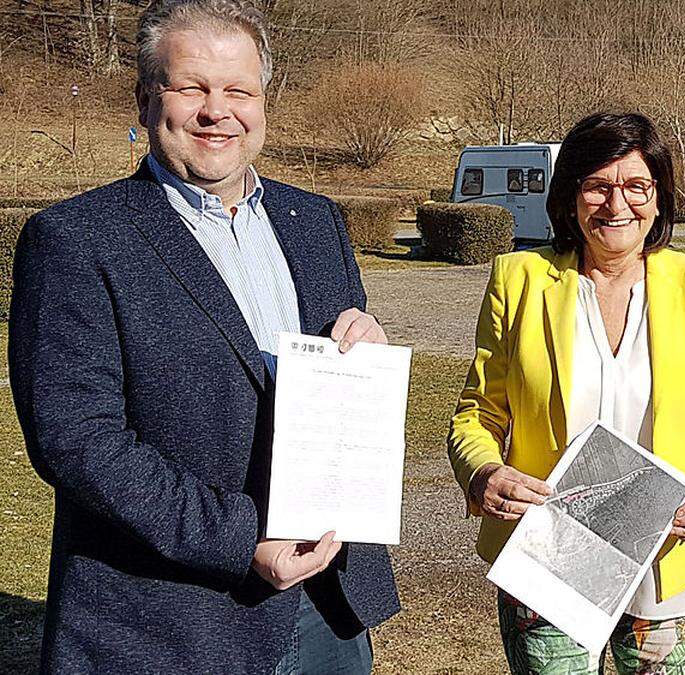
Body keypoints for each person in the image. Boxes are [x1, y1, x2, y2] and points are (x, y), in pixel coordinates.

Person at [8, 1, 400, 671]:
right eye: (192, 87)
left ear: (263, 102)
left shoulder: (315, 221)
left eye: (238, 90)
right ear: (145, 98)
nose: (217, 111)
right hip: (169, 624)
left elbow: (332, 378)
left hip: (328, 609)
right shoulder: (75, 240)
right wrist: (243, 538)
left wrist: (365, 343)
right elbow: (77, 440)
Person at [447, 112, 685, 673]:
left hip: (668, 566)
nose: (617, 205)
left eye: (637, 186)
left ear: (659, 197)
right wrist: (484, 473)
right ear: (569, 198)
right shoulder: (517, 280)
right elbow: (477, 415)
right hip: (549, 561)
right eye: (597, 186)